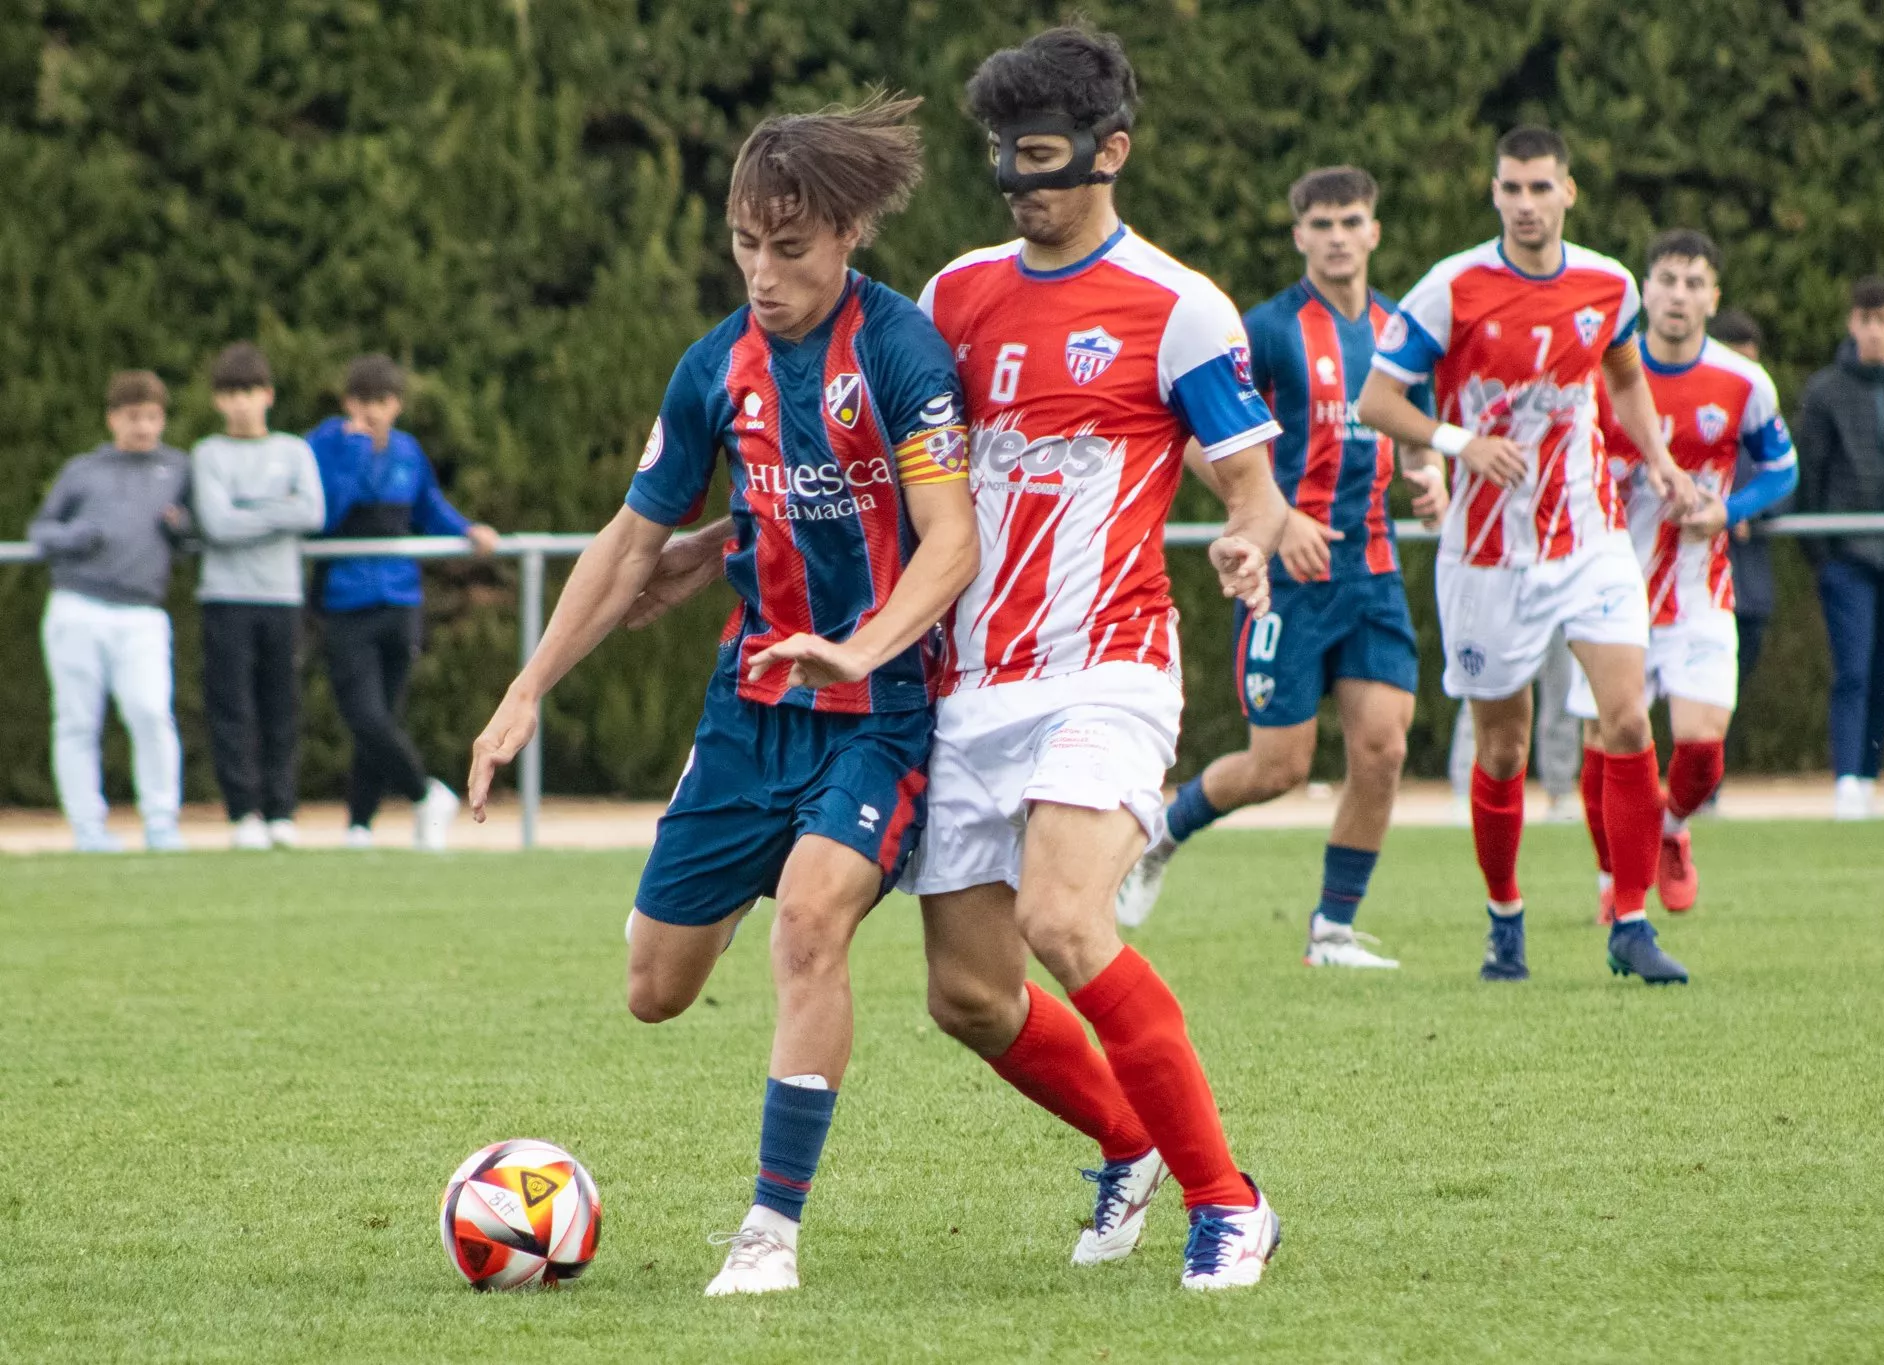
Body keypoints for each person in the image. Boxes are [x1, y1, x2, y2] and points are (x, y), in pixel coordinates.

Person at [467, 95, 978, 1297]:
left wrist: (863, 649)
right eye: (745, 244)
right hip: (745, 717)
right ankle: (727, 858)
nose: (761, 272)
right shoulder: (716, 367)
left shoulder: (900, 356)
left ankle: (768, 1233)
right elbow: (628, 540)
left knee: (810, 925)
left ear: (847, 234)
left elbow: (950, 541)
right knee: (654, 990)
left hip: (876, 716)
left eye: (787, 249)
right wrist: (528, 688)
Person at [909, 27, 1289, 1290]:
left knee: (1063, 917)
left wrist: (1248, 540)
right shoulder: (954, 293)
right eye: (1003, 164)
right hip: (968, 682)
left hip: (1106, 664)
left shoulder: (1179, 308)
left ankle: (1227, 1203)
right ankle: (1128, 1141)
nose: (1021, 187)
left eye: (1044, 161)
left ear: (1110, 152)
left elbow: (1250, 484)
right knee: (966, 997)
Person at [1356, 125, 1697, 986]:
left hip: (1589, 540)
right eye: (1512, 189)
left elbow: (1624, 374)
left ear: (1568, 193)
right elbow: (1376, 400)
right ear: (1495, 192)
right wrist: (1455, 440)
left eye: (1541, 188)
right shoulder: (1453, 287)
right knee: (1501, 749)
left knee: (1626, 719)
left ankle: (1628, 918)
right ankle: (1505, 916)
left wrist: (1655, 456)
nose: (1526, 204)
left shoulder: (1609, 282)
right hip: (1486, 553)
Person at [1113, 164, 1427, 969]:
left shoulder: (1399, 328)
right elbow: (1191, 428)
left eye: (1351, 221)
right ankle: (1161, 835)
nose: (1337, 238)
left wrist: (1435, 480)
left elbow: (1416, 427)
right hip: (1288, 579)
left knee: (1384, 749)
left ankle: (1332, 930)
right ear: (1299, 237)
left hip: (1375, 572)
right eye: (1320, 225)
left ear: (1374, 231)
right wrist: (1274, 521)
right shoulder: (1271, 327)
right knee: (1277, 766)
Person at [1566, 230, 1797, 918]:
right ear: (1645, 287)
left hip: (1699, 588)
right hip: (1610, 588)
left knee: (1702, 750)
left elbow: (1782, 468)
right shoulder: (1598, 375)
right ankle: (1617, 881)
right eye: (1667, 279)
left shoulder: (1741, 379)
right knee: (1606, 746)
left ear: (1713, 297)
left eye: (1695, 283)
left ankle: (1669, 827)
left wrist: (1729, 509)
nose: (1679, 294)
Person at [308, 355, 498, 849]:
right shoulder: (327, 444)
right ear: (347, 403)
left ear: (397, 405)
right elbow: (324, 513)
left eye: (382, 402)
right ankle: (426, 793)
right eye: (362, 402)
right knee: (362, 714)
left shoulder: (409, 451)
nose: (372, 412)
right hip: (346, 600)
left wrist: (465, 530)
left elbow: (427, 508)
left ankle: (359, 825)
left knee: (384, 716)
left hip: (399, 600)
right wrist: (354, 454)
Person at [1794, 276, 1884, 820]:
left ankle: (1871, 774)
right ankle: (1848, 778)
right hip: (1849, 556)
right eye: (1865, 318)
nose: (1875, 330)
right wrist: (1823, 548)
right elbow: (1810, 473)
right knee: (1852, 667)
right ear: (1852, 324)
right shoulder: (1825, 391)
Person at [29, 370, 191, 853]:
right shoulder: (83, 471)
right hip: (78, 605)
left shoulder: (178, 469)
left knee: (150, 713)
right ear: (112, 419)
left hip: (141, 612)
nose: (143, 427)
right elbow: (41, 530)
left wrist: (182, 528)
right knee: (78, 721)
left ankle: (161, 822)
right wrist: (73, 537)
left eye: (152, 417)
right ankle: (88, 828)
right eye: (133, 417)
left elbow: (197, 529)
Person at [191, 342, 327, 851]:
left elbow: (313, 514)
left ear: (267, 395)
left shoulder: (293, 450)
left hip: (282, 596)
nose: (241, 403)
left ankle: (281, 810)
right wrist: (277, 509)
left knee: (281, 706)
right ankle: (243, 811)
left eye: (249, 392)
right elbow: (218, 525)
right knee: (233, 707)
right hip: (225, 596)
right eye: (230, 394)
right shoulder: (209, 453)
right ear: (217, 401)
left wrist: (249, 509)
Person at [1708, 309, 1785, 711]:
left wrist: (1742, 510)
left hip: (1747, 588)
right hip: (1689, 586)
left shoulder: (1764, 415)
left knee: (1727, 693)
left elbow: (1786, 479)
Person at [1448, 631, 1580, 821]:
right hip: (1502, 605)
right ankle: (1465, 790)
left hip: (1559, 604)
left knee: (1563, 692)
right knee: (1485, 690)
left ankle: (1560, 792)